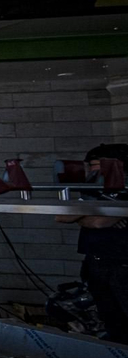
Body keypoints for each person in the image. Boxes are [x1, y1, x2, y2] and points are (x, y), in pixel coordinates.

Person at [57, 143, 128, 343]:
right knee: (110, 318)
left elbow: (99, 222)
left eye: (96, 165)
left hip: (121, 264)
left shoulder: (123, 190)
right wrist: (87, 215)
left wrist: (83, 217)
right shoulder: (94, 191)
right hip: (95, 262)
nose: (92, 170)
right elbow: (61, 216)